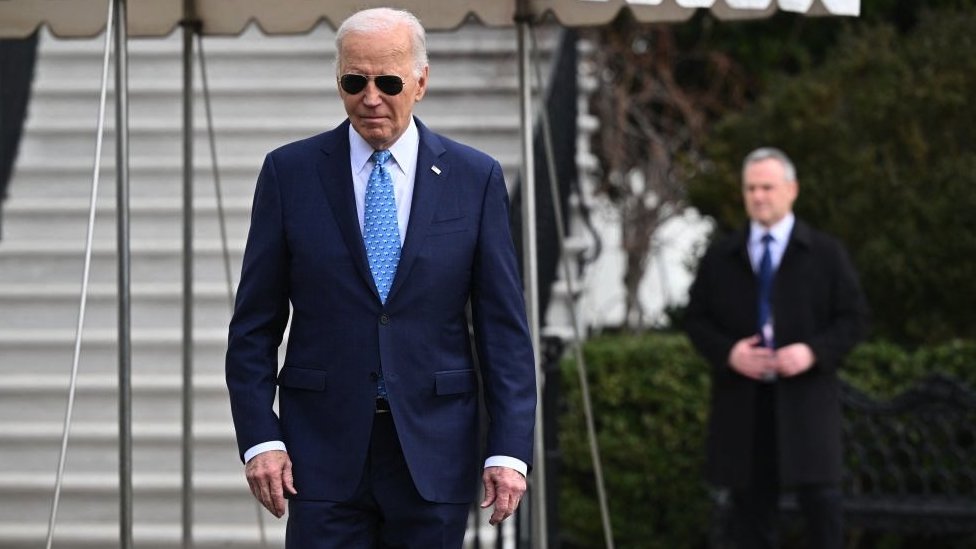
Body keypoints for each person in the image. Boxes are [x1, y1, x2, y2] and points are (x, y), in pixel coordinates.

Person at [225, 8, 537, 548]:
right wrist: (260, 439)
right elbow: (254, 326)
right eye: (354, 81)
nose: (371, 97)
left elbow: (503, 331)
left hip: (434, 450)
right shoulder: (289, 173)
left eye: (388, 82)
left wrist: (508, 450)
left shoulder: (474, 177)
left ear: (421, 82)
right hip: (318, 452)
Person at [685, 147, 868, 549]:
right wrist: (729, 352)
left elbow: (853, 319)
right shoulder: (722, 255)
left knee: (822, 508)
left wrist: (813, 352)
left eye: (767, 187)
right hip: (743, 406)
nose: (759, 196)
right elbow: (696, 319)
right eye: (751, 188)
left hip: (806, 403)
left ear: (792, 190)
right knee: (750, 514)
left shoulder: (824, 253)